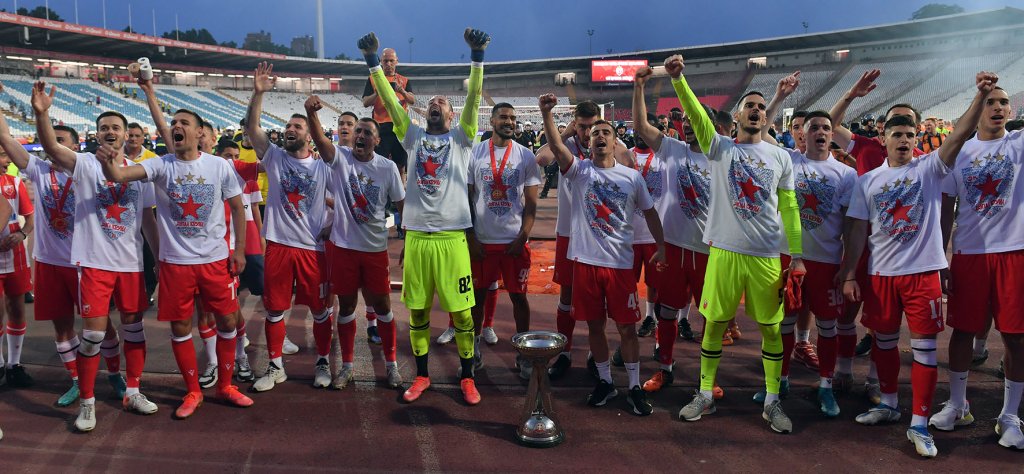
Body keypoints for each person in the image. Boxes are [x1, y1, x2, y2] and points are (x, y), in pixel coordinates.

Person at [839, 71, 998, 458]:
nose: (905, 140)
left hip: (922, 275)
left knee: (925, 351)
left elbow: (959, 134)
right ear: (884, 140)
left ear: (916, 139)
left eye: (910, 134)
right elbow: (857, 231)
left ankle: (920, 423)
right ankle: (889, 404)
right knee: (883, 344)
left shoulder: (930, 167)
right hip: (881, 275)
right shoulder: (867, 181)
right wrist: (849, 273)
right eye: (897, 134)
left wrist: (980, 95)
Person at [668, 54, 804, 434]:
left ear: (766, 117)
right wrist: (679, 80)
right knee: (713, 325)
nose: (757, 111)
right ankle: (705, 394)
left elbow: (790, 207)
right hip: (724, 253)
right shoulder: (720, 149)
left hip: (766, 257)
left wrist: (797, 255)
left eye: (761, 107)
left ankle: (772, 401)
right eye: (750, 107)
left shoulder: (780, 157)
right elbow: (697, 117)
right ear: (738, 116)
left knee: (772, 330)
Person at [357, 28, 490, 405]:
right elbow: (387, 98)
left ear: (451, 114)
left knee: (463, 315)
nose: (436, 104)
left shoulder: (463, 138)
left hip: (452, 240)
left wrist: (477, 56)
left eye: (442, 102)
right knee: (417, 314)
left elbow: (474, 96)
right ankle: (421, 376)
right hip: (416, 240)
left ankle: (467, 377)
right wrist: (372, 61)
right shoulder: (411, 136)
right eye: (431, 101)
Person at [33, 81, 160, 432]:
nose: (110, 132)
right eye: (104, 127)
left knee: (134, 329)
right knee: (92, 336)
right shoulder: (84, 164)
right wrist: (42, 115)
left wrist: (159, 259)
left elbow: (148, 220)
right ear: (97, 134)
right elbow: (51, 148)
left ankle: (133, 391)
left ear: (126, 134)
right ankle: (87, 403)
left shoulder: (140, 172)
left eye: (115, 127)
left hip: (131, 264)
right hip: (94, 265)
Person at [540, 93, 666, 416]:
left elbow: (650, 212)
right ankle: (606, 381)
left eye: (604, 132)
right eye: (592, 132)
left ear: (615, 139)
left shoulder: (631, 175)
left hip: (619, 264)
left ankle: (633, 386)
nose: (597, 136)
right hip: (584, 260)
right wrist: (548, 114)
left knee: (626, 327)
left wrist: (662, 245)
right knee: (594, 325)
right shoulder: (580, 170)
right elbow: (552, 149)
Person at [930, 86, 1023, 450]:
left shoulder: (1018, 144)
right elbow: (945, 209)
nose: (997, 107)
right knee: (963, 331)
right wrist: (940, 257)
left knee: (1016, 336)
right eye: (989, 102)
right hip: (969, 253)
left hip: (1015, 251)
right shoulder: (959, 153)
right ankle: (957, 404)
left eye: (1003, 102)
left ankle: (1010, 415)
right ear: (976, 109)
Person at [828, 69, 924, 401]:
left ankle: (873, 380)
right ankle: (843, 370)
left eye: (908, 124)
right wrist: (850, 96)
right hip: (860, 243)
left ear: (916, 131)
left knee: (882, 320)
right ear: (883, 131)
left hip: (895, 252)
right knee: (846, 311)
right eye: (895, 122)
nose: (901, 130)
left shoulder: (922, 163)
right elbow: (830, 124)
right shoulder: (866, 148)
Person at [631, 67, 722, 398]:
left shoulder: (722, 154)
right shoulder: (671, 148)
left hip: (709, 249)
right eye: (683, 120)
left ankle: (708, 378)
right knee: (666, 312)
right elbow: (641, 126)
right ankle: (665, 368)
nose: (687, 125)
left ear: (708, 124)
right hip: (671, 246)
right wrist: (639, 87)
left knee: (710, 318)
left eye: (693, 120)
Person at [245, 62, 334, 391]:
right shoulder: (275, 157)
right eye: (287, 126)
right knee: (274, 310)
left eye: (297, 126)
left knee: (320, 310)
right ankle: (275, 366)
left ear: (310, 136)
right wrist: (258, 93)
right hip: (279, 246)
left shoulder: (324, 167)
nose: (290, 129)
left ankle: (322, 362)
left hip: (313, 249)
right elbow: (252, 130)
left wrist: (332, 224)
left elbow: (343, 200)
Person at [305, 96, 405, 389]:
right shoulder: (341, 158)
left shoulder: (387, 167)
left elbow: (402, 205)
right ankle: (347, 366)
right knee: (347, 306)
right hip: (345, 248)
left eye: (367, 132)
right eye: (357, 131)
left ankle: (391, 365)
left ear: (377, 140)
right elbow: (320, 141)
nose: (360, 135)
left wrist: (408, 239)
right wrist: (311, 114)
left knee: (383, 306)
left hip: (374, 249)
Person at [466, 103, 540, 377]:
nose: (510, 122)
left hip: (513, 242)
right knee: (477, 298)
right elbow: (466, 199)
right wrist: (471, 236)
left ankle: (525, 355)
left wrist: (523, 236)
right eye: (504, 117)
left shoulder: (525, 156)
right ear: (492, 121)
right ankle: (473, 352)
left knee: (519, 298)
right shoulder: (475, 153)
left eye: (513, 118)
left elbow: (531, 205)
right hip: (483, 242)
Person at [536, 101, 602, 379]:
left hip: (599, 234)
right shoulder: (567, 145)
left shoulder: (608, 143)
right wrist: (564, 134)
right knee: (566, 294)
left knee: (597, 296)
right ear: (575, 124)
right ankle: (564, 352)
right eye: (582, 127)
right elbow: (541, 158)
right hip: (568, 232)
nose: (587, 133)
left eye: (592, 126)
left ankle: (595, 354)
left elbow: (627, 162)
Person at [336, 110, 385, 344]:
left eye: (350, 124)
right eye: (342, 124)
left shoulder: (380, 165)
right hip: (336, 234)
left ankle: (372, 323)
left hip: (365, 236)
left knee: (370, 288)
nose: (345, 128)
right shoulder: (329, 157)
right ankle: (329, 328)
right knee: (339, 294)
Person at [363, 47, 413, 176]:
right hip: (381, 128)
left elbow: (412, 100)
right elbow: (365, 102)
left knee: (400, 165)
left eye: (391, 61)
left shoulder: (404, 80)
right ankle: (381, 188)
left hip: (400, 127)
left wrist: (402, 91)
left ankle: (400, 189)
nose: (388, 64)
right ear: (381, 62)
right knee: (379, 163)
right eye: (385, 61)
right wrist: (377, 93)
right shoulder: (373, 79)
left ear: (397, 61)